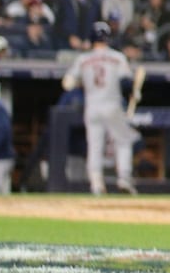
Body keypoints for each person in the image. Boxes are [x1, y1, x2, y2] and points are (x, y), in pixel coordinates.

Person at [60, 22, 140, 196]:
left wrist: (80, 82)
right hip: (112, 104)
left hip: (92, 106)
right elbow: (126, 83)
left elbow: (68, 83)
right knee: (123, 140)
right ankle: (124, 178)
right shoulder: (117, 57)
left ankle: (96, 184)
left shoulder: (83, 59)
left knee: (94, 146)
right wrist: (134, 92)